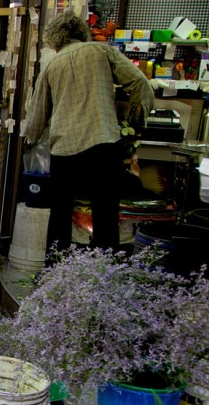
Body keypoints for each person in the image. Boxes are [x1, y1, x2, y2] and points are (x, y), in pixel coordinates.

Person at [24, 13, 154, 251]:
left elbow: (37, 114)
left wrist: (29, 140)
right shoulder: (101, 51)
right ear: (81, 33)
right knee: (105, 211)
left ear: (55, 40)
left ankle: (55, 267)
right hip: (103, 143)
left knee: (60, 211)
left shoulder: (52, 65)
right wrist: (135, 124)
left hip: (65, 150)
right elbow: (140, 84)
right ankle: (104, 269)